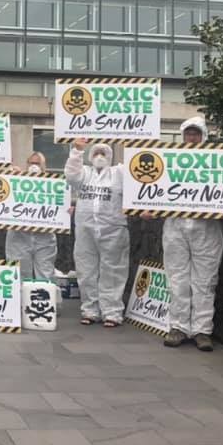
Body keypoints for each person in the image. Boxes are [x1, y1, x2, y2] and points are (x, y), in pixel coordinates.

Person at [155, 116, 223, 351]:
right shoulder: (170, 162)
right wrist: (147, 209)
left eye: (195, 134)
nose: (191, 138)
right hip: (175, 228)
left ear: (203, 136)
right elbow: (155, 191)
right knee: (177, 280)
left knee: (204, 282)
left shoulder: (218, 162)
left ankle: (202, 331)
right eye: (188, 134)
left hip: (208, 230)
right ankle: (178, 327)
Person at [65, 138, 129, 328]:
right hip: (86, 228)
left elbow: (135, 177)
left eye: (103, 153)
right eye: (96, 153)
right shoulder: (84, 173)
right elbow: (70, 175)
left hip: (113, 228)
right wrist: (77, 151)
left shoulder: (119, 173)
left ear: (110, 156)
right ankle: (90, 310)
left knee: (113, 271)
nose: (99, 157)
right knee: (86, 270)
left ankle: (112, 312)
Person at [5, 152, 58, 281]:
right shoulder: (17, 181)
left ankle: (45, 299)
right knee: (19, 274)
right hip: (19, 236)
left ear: (43, 166)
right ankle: (19, 301)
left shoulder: (54, 185)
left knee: (46, 274)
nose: (34, 166)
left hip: (44, 236)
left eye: (37, 163)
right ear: (26, 165)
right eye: (31, 163)